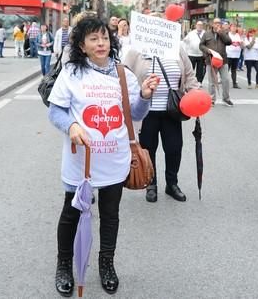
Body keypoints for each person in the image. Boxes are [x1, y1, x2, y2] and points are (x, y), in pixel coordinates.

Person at [47, 17, 157, 296]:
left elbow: (135, 115)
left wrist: (144, 96)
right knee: (71, 213)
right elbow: (55, 111)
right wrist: (71, 126)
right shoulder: (71, 73)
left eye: (105, 38)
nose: (101, 43)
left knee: (110, 214)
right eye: (94, 39)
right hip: (79, 160)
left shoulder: (124, 74)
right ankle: (64, 265)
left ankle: (106, 264)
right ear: (82, 46)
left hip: (115, 158)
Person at [125, 44, 201, 204]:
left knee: (174, 149)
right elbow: (124, 75)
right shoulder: (136, 50)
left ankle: (172, 183)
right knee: (148, 148)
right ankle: (151, 184)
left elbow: (189, 75)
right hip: (145, 111)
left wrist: (197, 95)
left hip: (172, 110)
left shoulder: (177, 49)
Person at [200, 18, 233, 106]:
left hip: (223, 60)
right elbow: (201, 45)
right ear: (212, 24)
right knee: (212, 82)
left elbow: (229, 42)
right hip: (211, 60)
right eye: (216, 23)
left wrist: (220, 32)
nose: (217, 24)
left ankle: (226, 99)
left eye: (219, 23)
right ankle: (212, 99)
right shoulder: (206, 34)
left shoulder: (223, 33)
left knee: (225, 79)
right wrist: (207, 50)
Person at [226, 23, 242, 89]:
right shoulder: (227, 34)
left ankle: (234, 83)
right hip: (229, 54)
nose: (234, 28)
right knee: (226, 70)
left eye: (235, 27)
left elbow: (241, 43)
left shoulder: (238, 35)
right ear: (230, 28)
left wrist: (240, 43)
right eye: (233, 27)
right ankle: (225, 82)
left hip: (236, 55)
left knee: (234, 70)